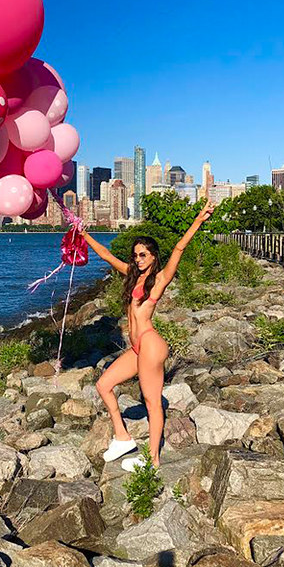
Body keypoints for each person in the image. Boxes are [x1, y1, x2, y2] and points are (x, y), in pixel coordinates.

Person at [81, 199, 215, 469]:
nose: (138, 259)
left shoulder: (161, 278)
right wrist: (83, 235)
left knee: (153, 403)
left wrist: (199, 220)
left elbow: (179, 247)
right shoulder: (132, 274)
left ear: (153, 256)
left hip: (151, 344)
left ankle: (152, 461)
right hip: (137, 348)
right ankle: (122, 437)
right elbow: (107, 256)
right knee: (104, 385)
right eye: (136, 255)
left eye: (143, 254)